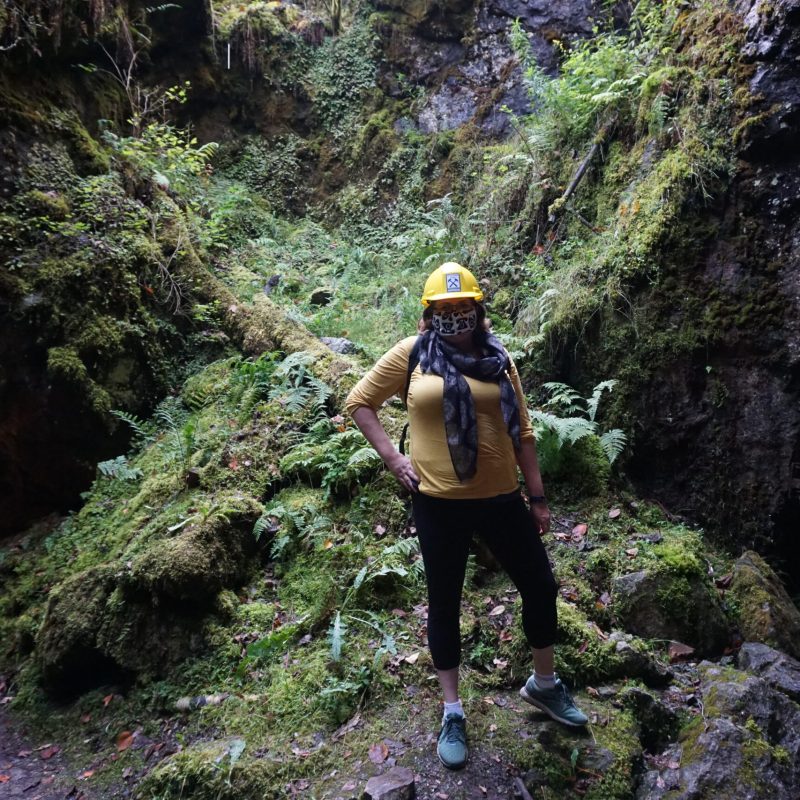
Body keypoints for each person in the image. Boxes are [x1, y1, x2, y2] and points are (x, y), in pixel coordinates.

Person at [345, 262, 587, 770]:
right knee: (445, 602)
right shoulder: (412, 355)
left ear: (479, 311)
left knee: (540, 586)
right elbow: (360, 401)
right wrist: (394, 458)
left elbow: (523, 432)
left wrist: (538, 499)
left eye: (463, 309)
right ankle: (452, 710)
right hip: (437, 503)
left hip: (502, 499)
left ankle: (544, 684)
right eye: (444, 310)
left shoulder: (500, 361)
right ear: (428, 315)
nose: (455, 317)